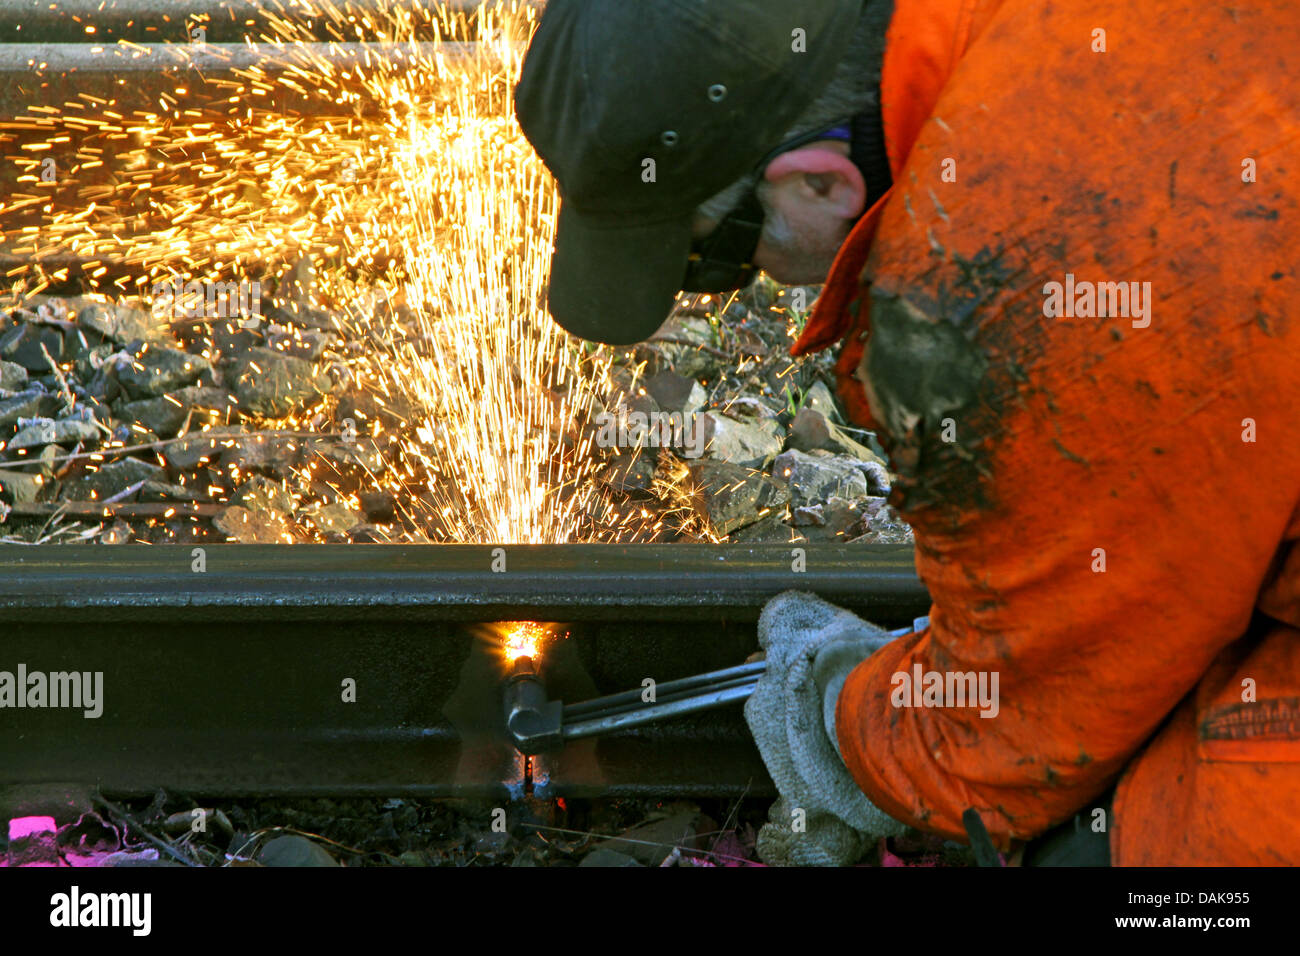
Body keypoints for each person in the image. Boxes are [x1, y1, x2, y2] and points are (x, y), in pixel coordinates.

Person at [515, 0, 1300, 865]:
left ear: (822, 181)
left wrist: (843, 718)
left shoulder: (1019, 260)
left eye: (720, 255)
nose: (735, 286)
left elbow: (1007, 743)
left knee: (1132, 843)